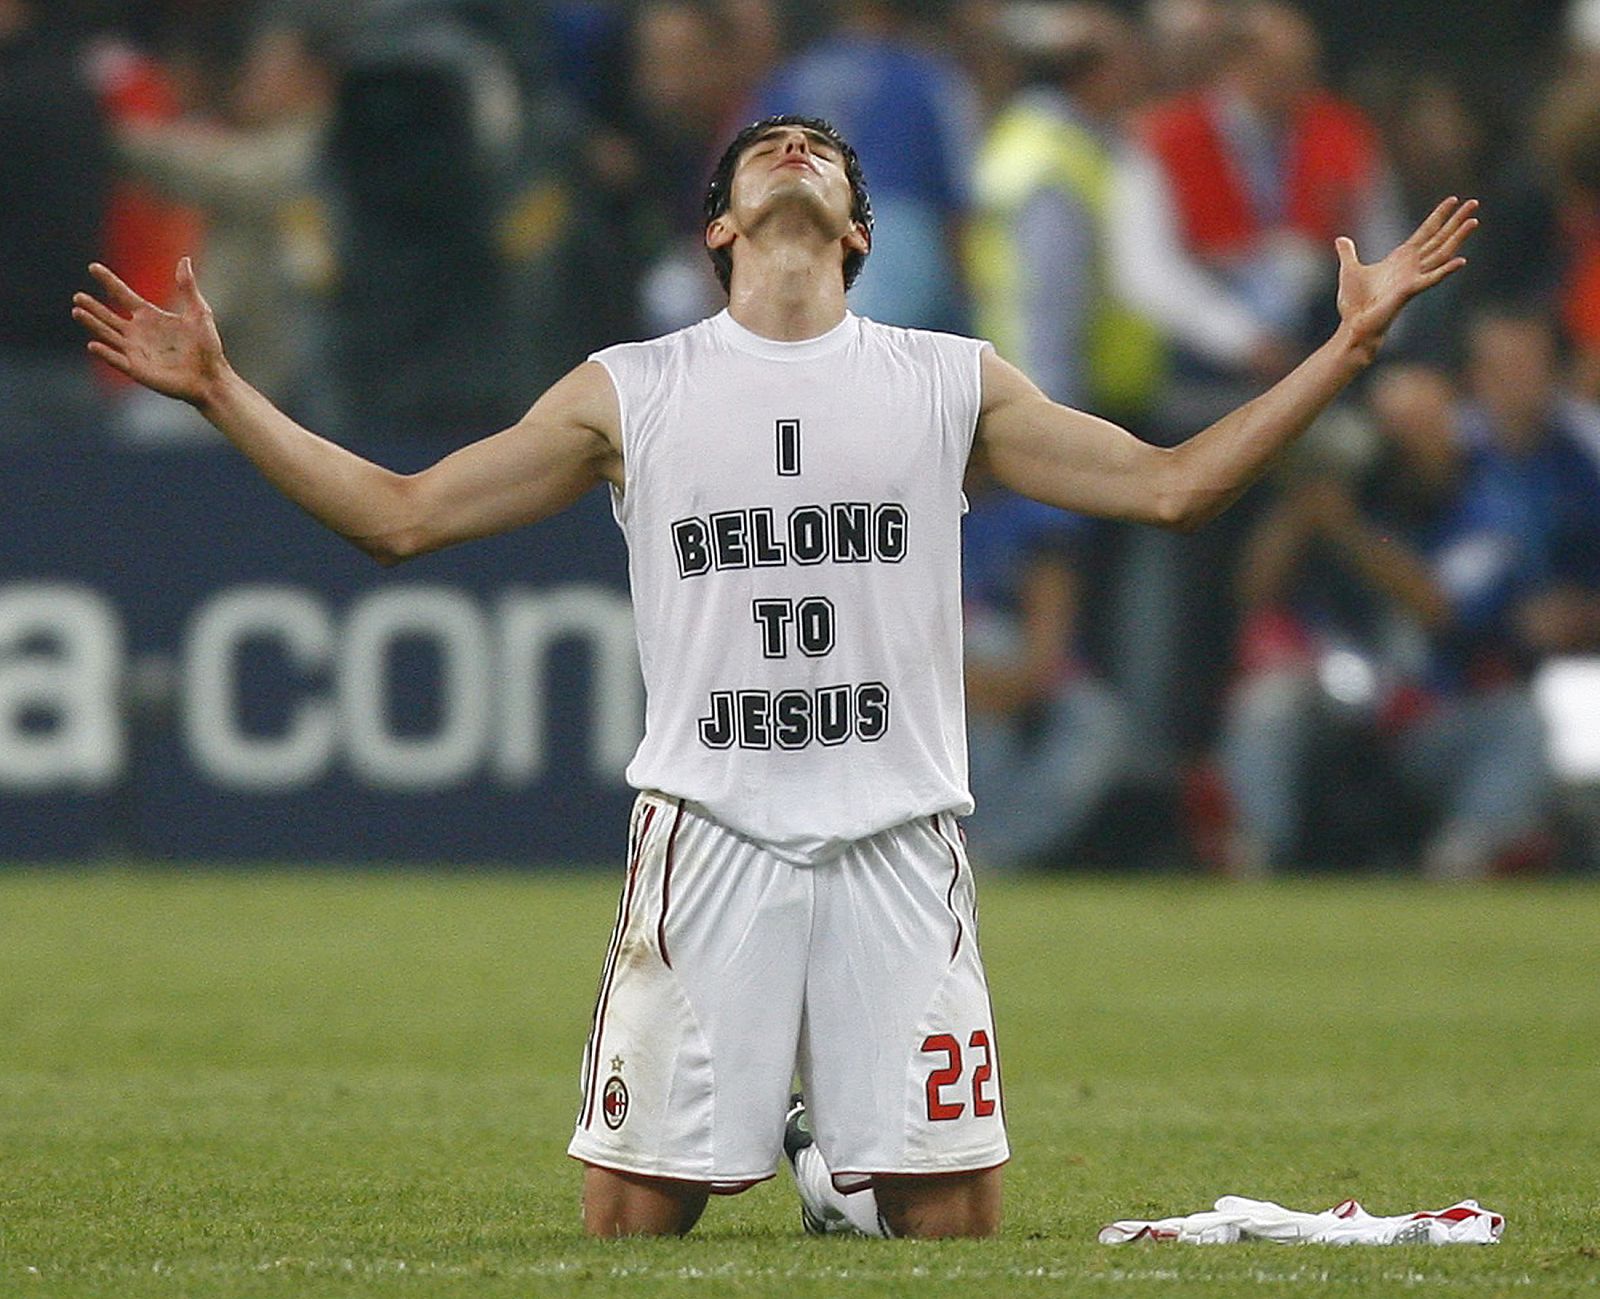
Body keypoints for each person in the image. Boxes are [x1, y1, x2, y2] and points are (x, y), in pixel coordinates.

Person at [72, 113, 1476, 1239]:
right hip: (711, 834)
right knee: (627, 1222)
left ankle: (838, 1175)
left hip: (895, 837)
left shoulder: (946, 379)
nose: (795, 145)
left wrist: (1347, 347)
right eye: (769, 145)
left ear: (857, 232)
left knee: (956, 1225)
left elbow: (1174, 490)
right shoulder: (632, 388)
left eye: (824, 151)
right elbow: (401, 515)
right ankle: (815, 1152)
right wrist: (222, 394)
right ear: (723, 225)